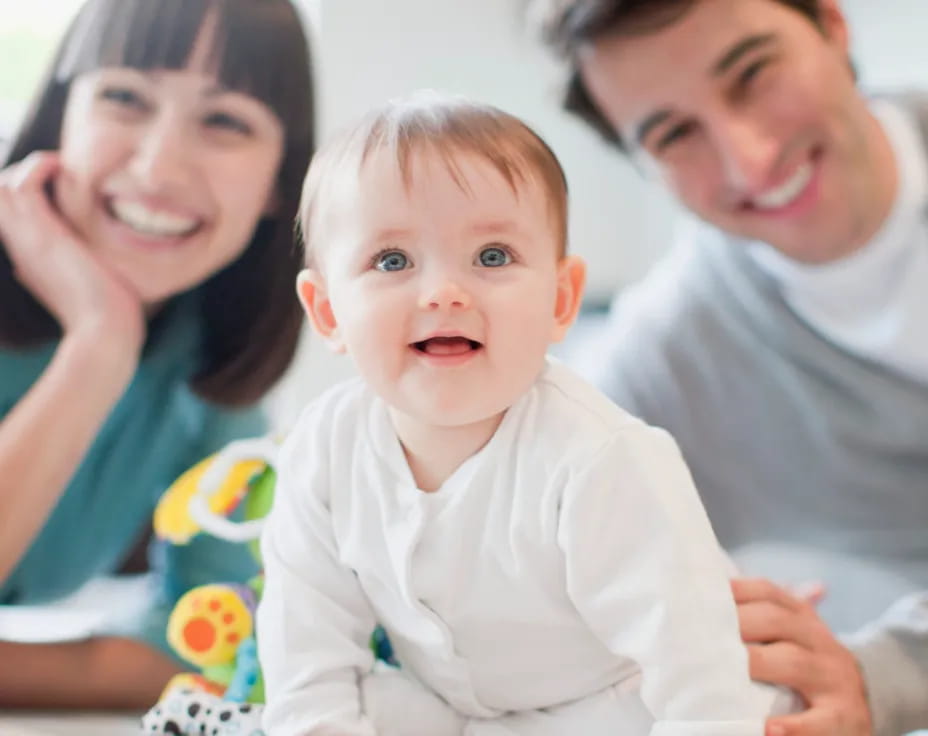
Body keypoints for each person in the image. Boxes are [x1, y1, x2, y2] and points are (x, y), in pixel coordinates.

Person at [256, 93, 797, 736]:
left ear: (561, 300)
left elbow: (696, 669)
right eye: (392, 261)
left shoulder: (600, 459)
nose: (444, 293)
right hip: (469, 710)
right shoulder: (323, 448)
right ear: (327, 313)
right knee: (336, 704)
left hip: (630, 696)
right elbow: (307, 642)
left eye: (492, 257)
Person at [538, 0, 928, 734]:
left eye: (753, 73)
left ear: (833, 27)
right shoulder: (669, 358)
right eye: (675, 134)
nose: (748, 158)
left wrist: (890, 673)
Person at [0, 0, 314, 709]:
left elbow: (208, 646)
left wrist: (105, 336)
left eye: (225, 120)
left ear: (277, 185)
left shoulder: (203, 359)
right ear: (59, 120)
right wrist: (98, 352)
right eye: (124, 97)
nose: (157, 166)